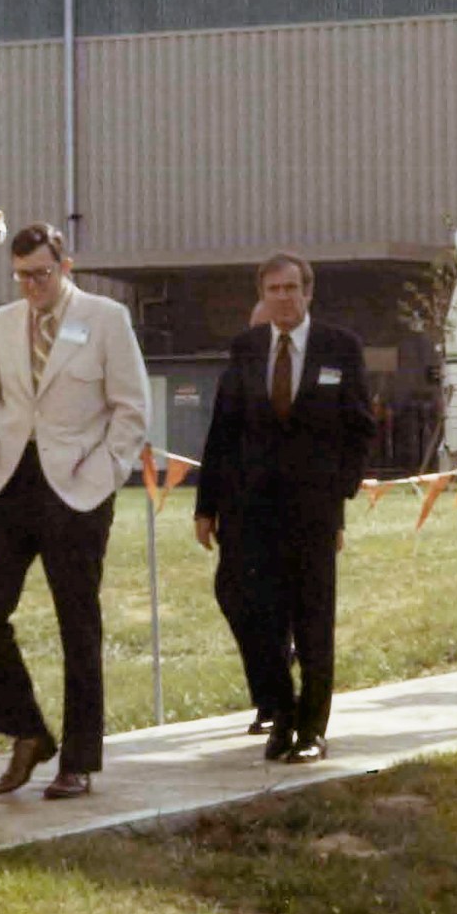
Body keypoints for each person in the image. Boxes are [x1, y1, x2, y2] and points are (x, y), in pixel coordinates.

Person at [0, 224, 150, 802]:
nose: (32, 285)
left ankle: (78, 759)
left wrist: (100, 476)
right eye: (22, 275)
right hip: (11, 486)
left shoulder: (105, 318)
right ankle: (26, 730)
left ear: (65, 266)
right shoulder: (0, 324)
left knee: (78, 623)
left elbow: (131, 410)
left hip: (77, 490)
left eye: (42, 274)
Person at [194, 254, 374, 763]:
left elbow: (361, 427)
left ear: (308, 292)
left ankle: (310, 730)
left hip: (312, 510)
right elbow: (223, 430)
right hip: (249, 509)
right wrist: (206, 506)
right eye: (273, 289)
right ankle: (279, 706)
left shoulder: (340, 348)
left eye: (292, 288)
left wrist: (338, 489)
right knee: (247, 606)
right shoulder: (247, 348)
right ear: (262, 295)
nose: (283, 297)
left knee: (312, 619)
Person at [208, 296, 283, 736]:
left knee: (277, 606)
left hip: (287, 509)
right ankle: (268, 688)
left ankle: (276, 702)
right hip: (239, 508)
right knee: (233, 594)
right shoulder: (236, 374)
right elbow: (218, 439)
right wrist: (205, 509)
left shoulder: (300, 378)